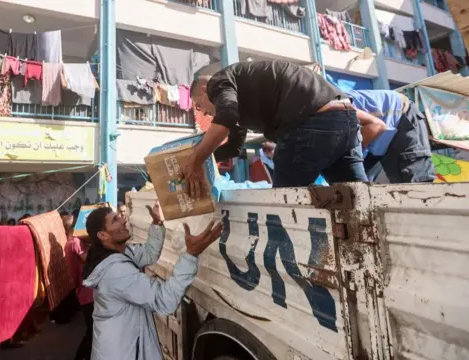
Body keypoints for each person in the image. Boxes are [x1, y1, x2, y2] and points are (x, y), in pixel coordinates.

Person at [186, 60, 368, 196]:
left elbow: (226, 117)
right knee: (359, 198)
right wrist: (204, 160)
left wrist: (195, 159)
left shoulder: (217, 82)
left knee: (285, 204)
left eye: (198, 106)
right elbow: (234, 147)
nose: (203, 114)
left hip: (311, 120)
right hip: (346, 118)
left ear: (204, 89)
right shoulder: (237, 98)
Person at [82, 202, 223, 360]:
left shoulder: (121, 253)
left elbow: (148, 254)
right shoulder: (116, 272)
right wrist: (191, 255)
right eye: (115, 220)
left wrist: (157, 223)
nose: (123, 220)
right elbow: (164, 301)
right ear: (103, 235)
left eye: (120, 216)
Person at [347, 89, 436, 183]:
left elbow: (378, 126)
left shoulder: (338, 108)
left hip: (400, 116)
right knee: (354, 186)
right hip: (377, 140)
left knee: (416, 184)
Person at [62, 212, 94, 360]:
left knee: (93, 330)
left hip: (86, 291)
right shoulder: (75, 242)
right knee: (92, 330)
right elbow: (88, 261)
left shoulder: (74, 242)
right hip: (87, 292)